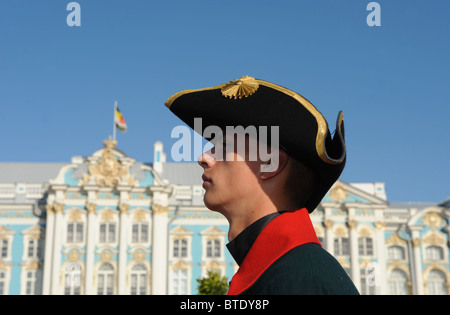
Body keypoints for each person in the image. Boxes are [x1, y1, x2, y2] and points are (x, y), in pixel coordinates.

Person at [165, 76, 359, 295]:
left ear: (270, 163)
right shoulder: (283, 271)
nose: (203, 158)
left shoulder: (301, 279)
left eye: (224, 145)